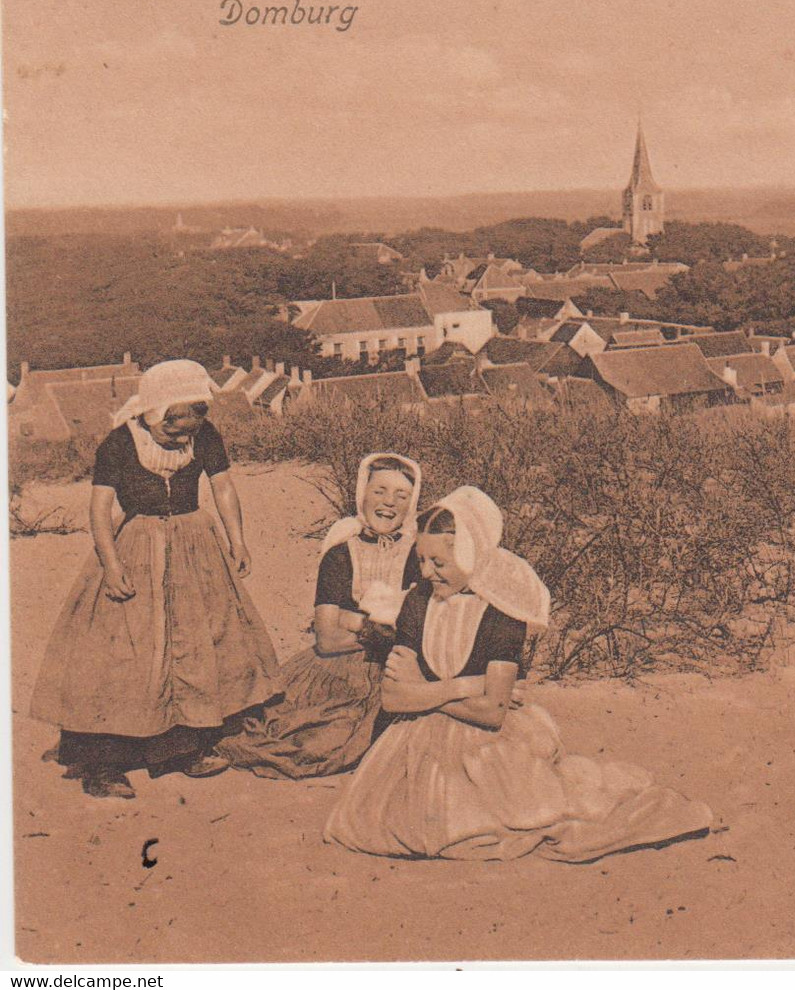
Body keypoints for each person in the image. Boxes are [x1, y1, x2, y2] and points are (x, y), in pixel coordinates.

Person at [325, 486, 713, 862]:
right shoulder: (417, 603)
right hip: (415, 741)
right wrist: (462, 686)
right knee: (383, 824)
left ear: (469, 555)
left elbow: (493, 713)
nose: (426, 572)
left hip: (488, 743)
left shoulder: (500, 614)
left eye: (438, 563)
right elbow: (392, 698)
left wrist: (425, 691)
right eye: (421, 560)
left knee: (493, 823)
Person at [30, 359, 282, 799]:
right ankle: (104, 765)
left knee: (194, 647)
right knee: (126, 655)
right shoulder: (118, 444)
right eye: (173, 430)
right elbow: (99, 509)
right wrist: (110, 566)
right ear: (153, 413)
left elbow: (223, 487)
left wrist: (237, 540)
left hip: (194, 545)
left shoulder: (204, 435)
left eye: (189, 429)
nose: (183, 437)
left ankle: (183, 749)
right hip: (137, 548)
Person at [218, 453, 423, 780]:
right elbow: (327, 640)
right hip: (339, 669)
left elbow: (420, 627)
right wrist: (370, 626)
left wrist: (350, 618)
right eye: (380, 491)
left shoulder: (418, 553)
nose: (389, 503)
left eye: (402, 496)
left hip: (396, 667)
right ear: (362, 494)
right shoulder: (341, 553)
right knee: (316, 744)